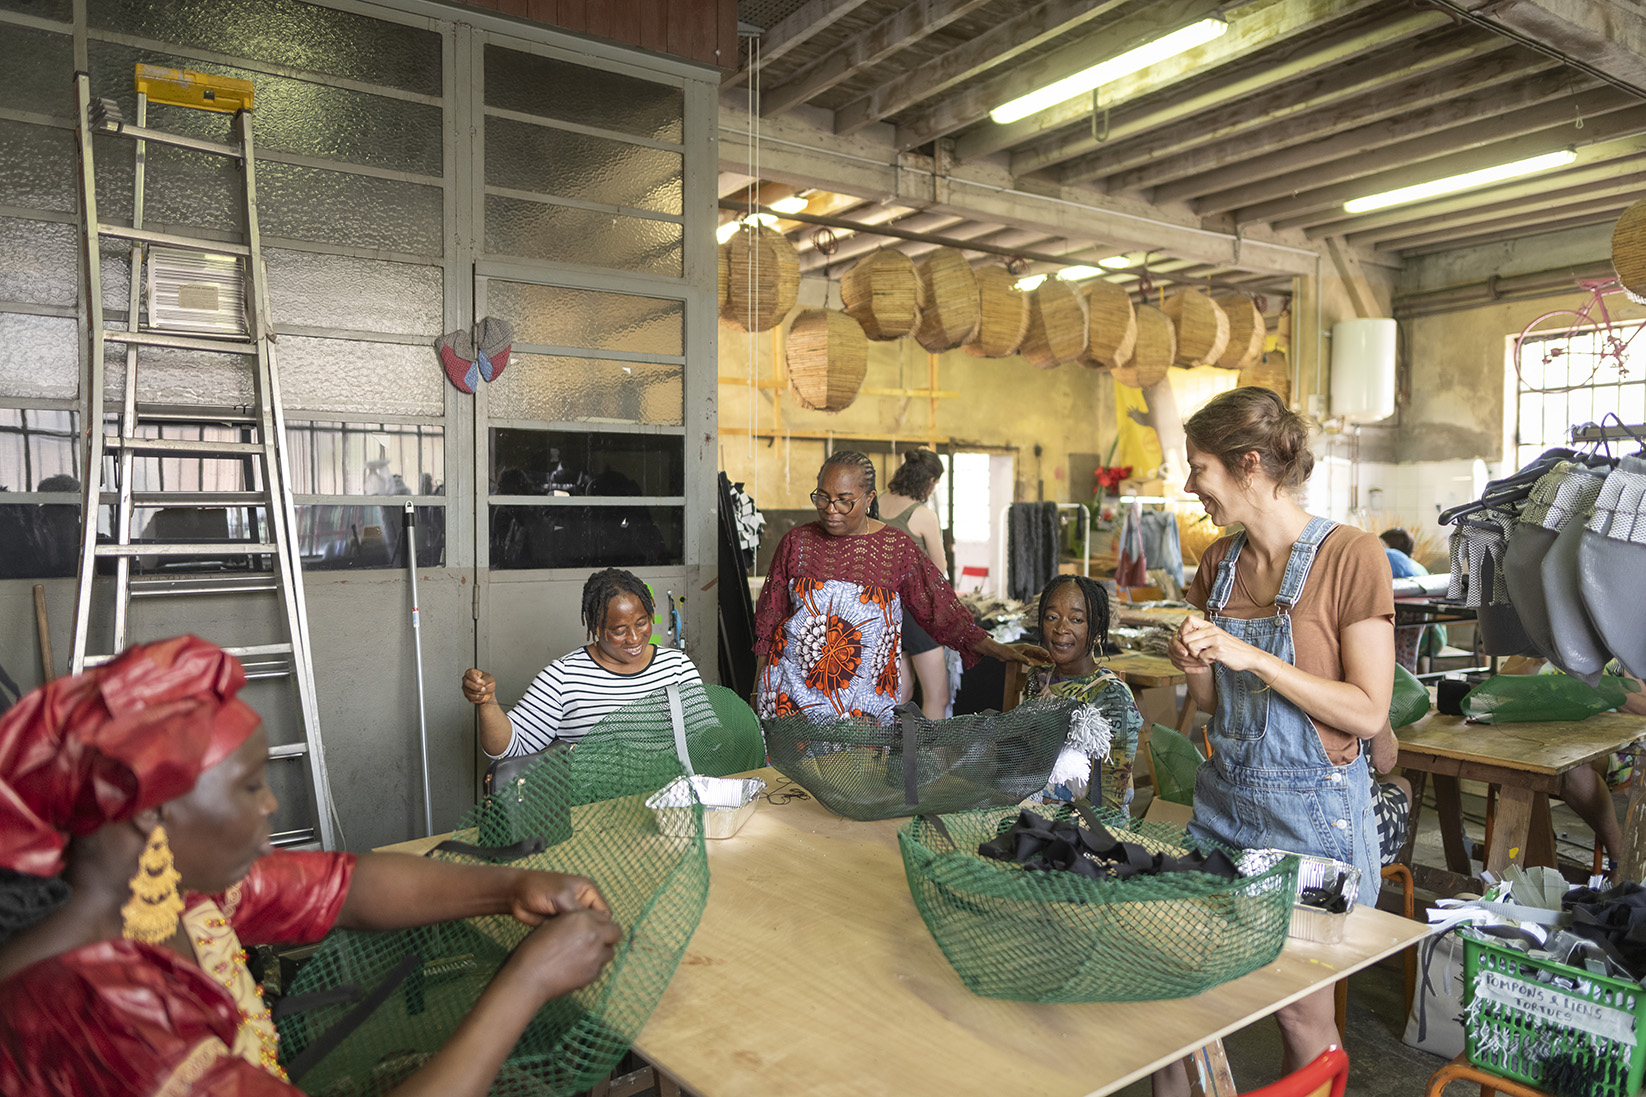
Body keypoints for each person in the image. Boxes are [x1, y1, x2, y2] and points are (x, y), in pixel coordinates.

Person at [0, 635, 622, 1096]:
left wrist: (511, 884)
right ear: (152, 814)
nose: (271, 803)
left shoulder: (170, 892)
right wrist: (526, 983)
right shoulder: (89, 1017)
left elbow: (343, 887)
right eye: (248, 786)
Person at [1162, 387, 1394, 1091]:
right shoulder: (1218, 566)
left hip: (1314, 826)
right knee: (1176, 1010)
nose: (1190, 484)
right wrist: (1197, 668)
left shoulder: (1352, 557)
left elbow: (1367, 710)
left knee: (1299, 1018)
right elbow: (1213, 707)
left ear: (1249, 465)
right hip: (1224, 808)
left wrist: (1251, 654)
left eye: (1199, 467)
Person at [753, 450, 1046, 723]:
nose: (831, 510)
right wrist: (757, 689)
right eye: (822, 497)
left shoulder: (895, 548)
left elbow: (941, 611)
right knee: (787, 780)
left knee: (859, 777)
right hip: (791, 701)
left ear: (869, 499)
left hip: (864, 706)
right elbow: (769, 622)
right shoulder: (797, 543)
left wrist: (997, 648)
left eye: (844, 500)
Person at [463, 568, 704, 758]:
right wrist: (487, 702)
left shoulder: (676, 666)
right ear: (596, 629)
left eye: (641, 623)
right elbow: (510, 749)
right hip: (593, 809)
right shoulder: (563, 677)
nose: (633, 638)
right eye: (619, 630)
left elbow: (706, 737)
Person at [1022, 574, 1144, 812]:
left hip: (1088, 827)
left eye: (1076, 619)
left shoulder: (1112, 696)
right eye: (1052, 617)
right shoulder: (1038, 679)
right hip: (1033, 813)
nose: (1060, 629)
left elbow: (1111, 798)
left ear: (1096, 628)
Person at [879, 449, 954, 719]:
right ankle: (929, 760)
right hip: (914, 611)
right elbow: (939, 569)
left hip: (881, 610)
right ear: (930, 481)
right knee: (938, 696)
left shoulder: (876, 504)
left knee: (902, 691)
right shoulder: (922, 515)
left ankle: (889, 755)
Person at [1380, 527, 1445, 673]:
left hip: (1409, 630)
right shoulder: (1415, 565)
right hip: (1433, 636)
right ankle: (1419, 686)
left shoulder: (1389, 557)